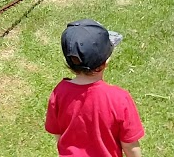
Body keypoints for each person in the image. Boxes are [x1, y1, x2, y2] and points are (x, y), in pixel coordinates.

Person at [45, 19, 145, 157]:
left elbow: (58, 135)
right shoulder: (119, 99)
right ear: (106, 61)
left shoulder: (59, 93)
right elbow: (130, 146)